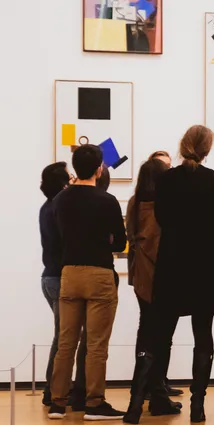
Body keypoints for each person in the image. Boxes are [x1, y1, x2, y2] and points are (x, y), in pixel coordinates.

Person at [152, 125, 214, 423]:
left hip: (172, 265)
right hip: (205, 267)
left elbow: (160, 218)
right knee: (203, 337)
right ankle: (198, 404)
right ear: (207, 148)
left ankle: (156, 396)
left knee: (163, 335)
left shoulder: (166, 179)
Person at [48, 145, 127, 420]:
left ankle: (57, 402)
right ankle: (94, 402)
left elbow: (59, 239)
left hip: (69, 274)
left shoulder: (60, 200)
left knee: (66, 342)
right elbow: (120, 242)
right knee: (96, 345)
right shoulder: (107, 201)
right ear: (99, 169)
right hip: (99, 275)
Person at [123, 158, 182, 424]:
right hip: (166, 277)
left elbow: (130, 236)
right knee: (163, 338)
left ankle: (141, 399)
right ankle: (153, 398)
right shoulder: (168, 206)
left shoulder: (135, 204)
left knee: (146, 332)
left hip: (141, 278)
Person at [39, 162, 85, 407]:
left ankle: (54, 386)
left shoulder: (48, 206)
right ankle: (52, 388)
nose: (74, 177)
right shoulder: (59, 207)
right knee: (64, 337)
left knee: (63, 336)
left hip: (50, 277)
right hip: (59, 278)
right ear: (63, 182)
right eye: (70, 175)